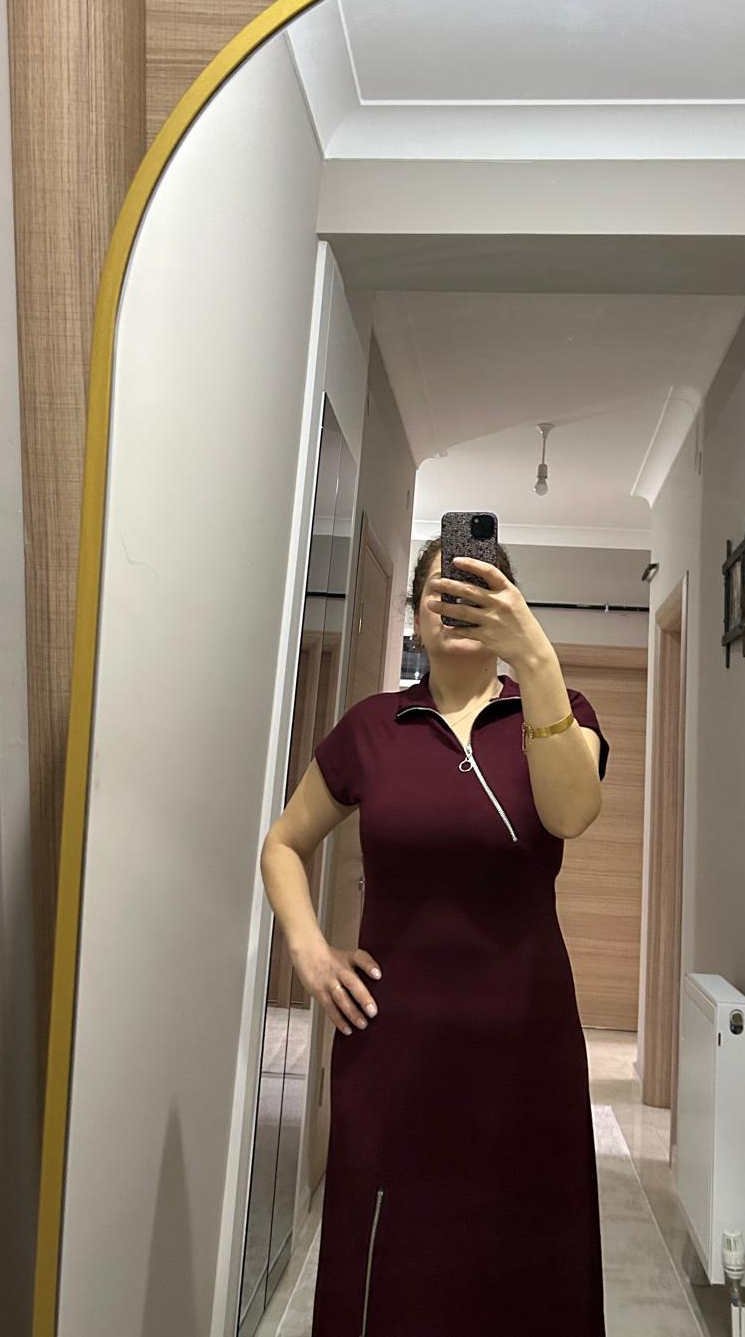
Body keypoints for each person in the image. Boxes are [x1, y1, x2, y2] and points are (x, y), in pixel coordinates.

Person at [259, 535, 611, 1335]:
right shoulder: (372, 728)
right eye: (440, 595)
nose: (456, 608)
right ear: (415, 618)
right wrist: (310, 950)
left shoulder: (559, 712)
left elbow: (571, 814)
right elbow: (282, 844)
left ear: (510, 607)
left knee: (527, 1256)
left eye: (479, 593)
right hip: (393, 1048)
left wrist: (534, 656)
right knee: (391, 1259)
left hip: (528, 1046)